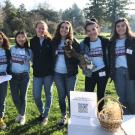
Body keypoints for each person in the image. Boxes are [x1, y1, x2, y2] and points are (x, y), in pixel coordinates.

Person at [52, 21, 80, 126]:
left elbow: (78, 58)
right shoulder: (54, 41)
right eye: (62, 27)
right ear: (59, 28)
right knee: (61, 96)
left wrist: (72, 52)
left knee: (71, 96)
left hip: (70, 74)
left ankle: (73, 117)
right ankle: (63, 116)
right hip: (57, 73)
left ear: (69, 30)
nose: (64, 29)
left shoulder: (74, 42)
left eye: (66, 28)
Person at [80, 19, 109, 110]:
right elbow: (80, 59)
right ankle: (89, 114)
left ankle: (101, 114)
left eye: (93, 29)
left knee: (101, 94)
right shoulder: (83, 44)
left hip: (102, 71)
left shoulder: (105, 41)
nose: (91, 32)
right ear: (86, 32)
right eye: (88, 31)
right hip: (90, 72)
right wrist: (84, 65)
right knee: (89, 94)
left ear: (98, 28)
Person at [30, 20, 54, 125]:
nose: (41, 30)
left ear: (46, 30)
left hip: (49, 73)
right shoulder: (32, 41)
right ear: (35, 29)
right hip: (37, 74)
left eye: (43, 28)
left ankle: (45, 116)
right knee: (36, 96)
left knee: (48, 94)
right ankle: (42, 112)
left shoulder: (50, 41)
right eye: (39, 28)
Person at [109, 18, 135, 114]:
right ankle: (126, 120)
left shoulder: (133, 40)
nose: (120, 28)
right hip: (118, 72)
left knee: (132, 99)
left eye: (123, 25)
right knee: (122, 99)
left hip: (131, 72)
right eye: (118, 26)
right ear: (115, 28)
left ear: (127, 27)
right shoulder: (112, 42)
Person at [10, 31, 32, 125]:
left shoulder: (29, 51)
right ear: (16, 38)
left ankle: (22, 115)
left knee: (23, 97)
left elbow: (35, 61)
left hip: (24, 76)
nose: (21, 39)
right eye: (19, 37)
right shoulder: (12, 49)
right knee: (15, 97)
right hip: (13, 76)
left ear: (26, 39)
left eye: (23, 37)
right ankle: (21, 113)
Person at [0, 32, 10, 129]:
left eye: (0, 38)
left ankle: (0, 118)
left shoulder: (7, 50)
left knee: (2, 99)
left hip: (4, 77)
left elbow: (10, 64)